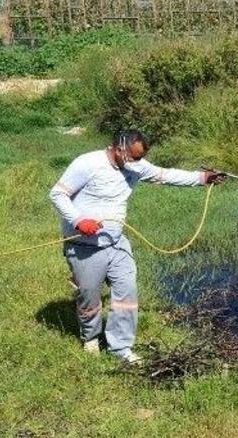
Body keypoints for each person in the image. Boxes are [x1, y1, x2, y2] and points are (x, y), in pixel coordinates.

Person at [49, 130, 225, 363]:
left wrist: (203, 178)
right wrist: (79, 220)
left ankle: (120, 348)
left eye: (139, 158)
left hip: (117, 243)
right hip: (84, 245)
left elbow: (165, 175)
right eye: (132, 157)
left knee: (127, 292)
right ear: (119, 147)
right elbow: (58, 194)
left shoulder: (136, 165)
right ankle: (90, 338)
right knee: (89, 296)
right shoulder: (88, 163)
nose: (136, 163)